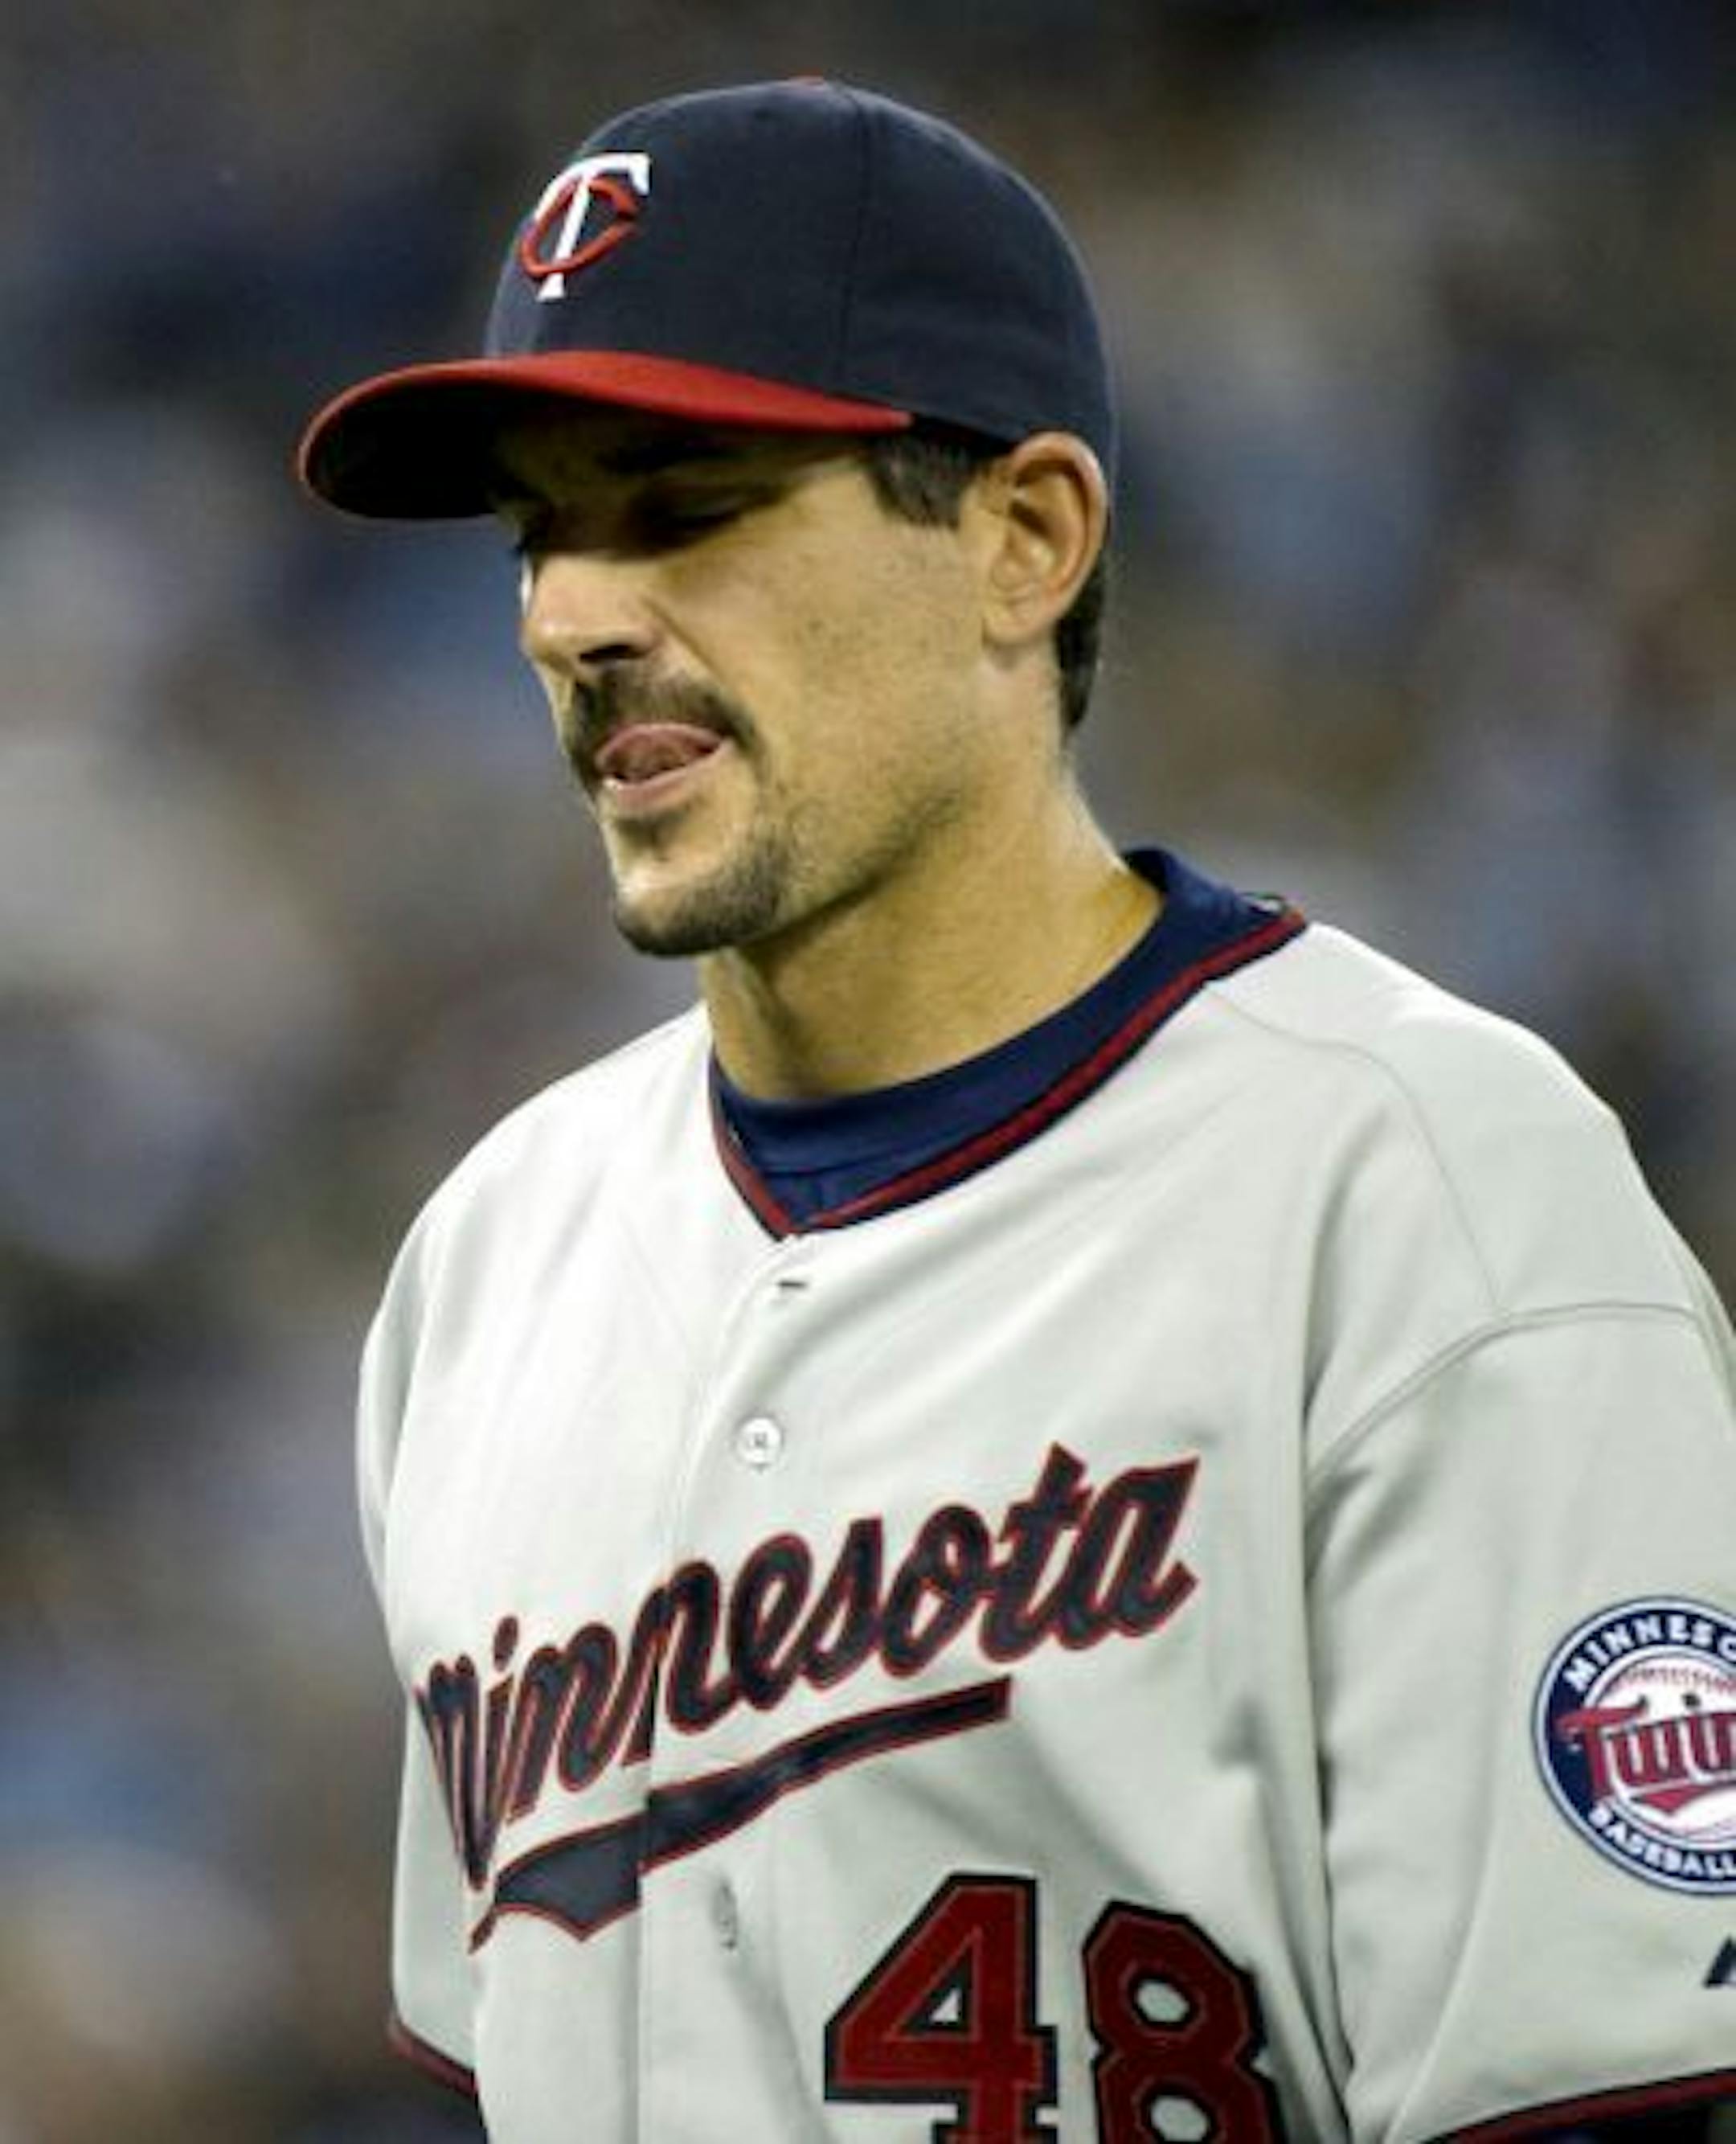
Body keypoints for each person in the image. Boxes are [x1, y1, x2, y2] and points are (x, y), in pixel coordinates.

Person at [299, 80, 1736, 2144]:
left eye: (680, 504)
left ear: (1024, 541)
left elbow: (1596, 2099)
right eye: (542, 530)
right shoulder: (487, 1263)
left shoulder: (1420, 1193)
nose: (570, 615)